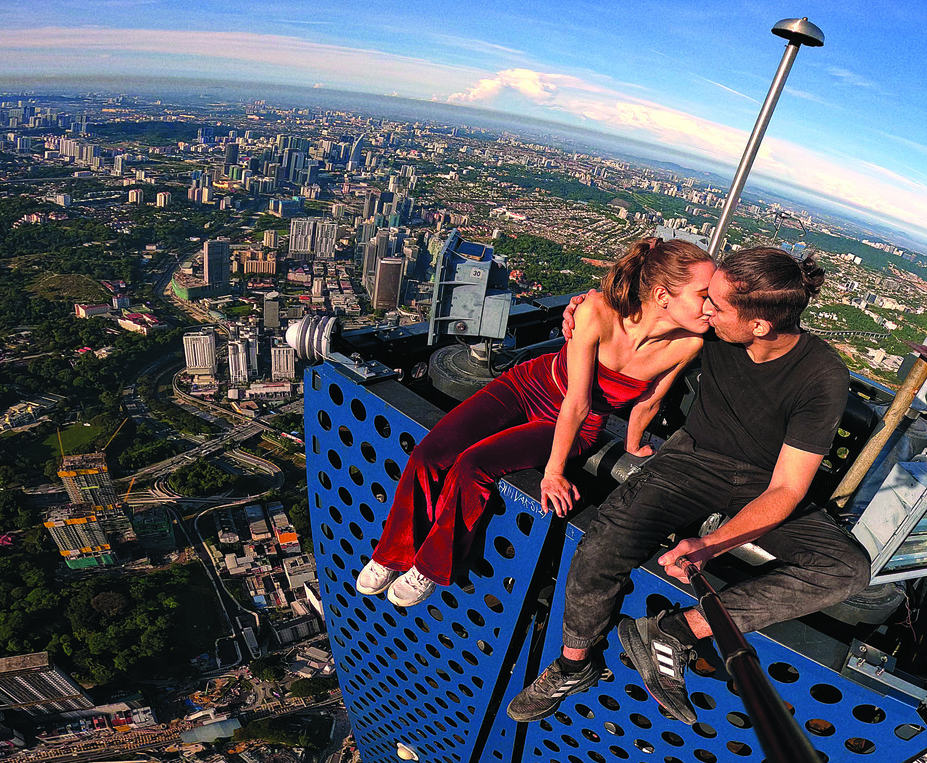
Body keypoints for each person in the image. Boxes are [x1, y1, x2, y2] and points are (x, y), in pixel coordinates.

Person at [508, 247, 871, 724]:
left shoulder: (821, 376)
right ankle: (574, 664)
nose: (704, 310)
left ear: (758, 326)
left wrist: (712, 545)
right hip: (692, 459)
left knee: (847, 570)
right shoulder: (714, 330)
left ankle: (677, 632)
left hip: (763, 485)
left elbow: (786, 488)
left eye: (716, 305)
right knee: (602, 546)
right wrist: (585, 304)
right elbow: (640, 305)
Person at [357, 237, 714, 607]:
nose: (711, 306)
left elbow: (649, 400)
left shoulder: (688, 343)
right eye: (704, 294)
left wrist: (632, 445)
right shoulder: (597, 310)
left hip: (578, 425)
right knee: (429, 454)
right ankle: (391, 553)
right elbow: (577, 397)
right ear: (661, 295)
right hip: (528, 386)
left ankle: (432, 566)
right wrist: (554, 472)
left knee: (472, 466)